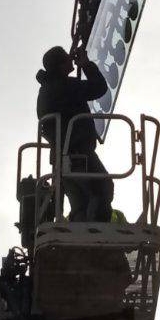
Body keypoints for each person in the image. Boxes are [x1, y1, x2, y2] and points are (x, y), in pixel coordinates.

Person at [36, 46, 114, 222]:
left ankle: (82, 234)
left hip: (61, 159)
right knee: (102, 188)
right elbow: (99, 88)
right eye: (67, 58)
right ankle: (96, 236)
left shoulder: (48, 89)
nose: (70, 60)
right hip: (77, 153)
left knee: (81, 202)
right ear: (60, 65)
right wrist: (86, 65)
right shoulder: (63, 86)